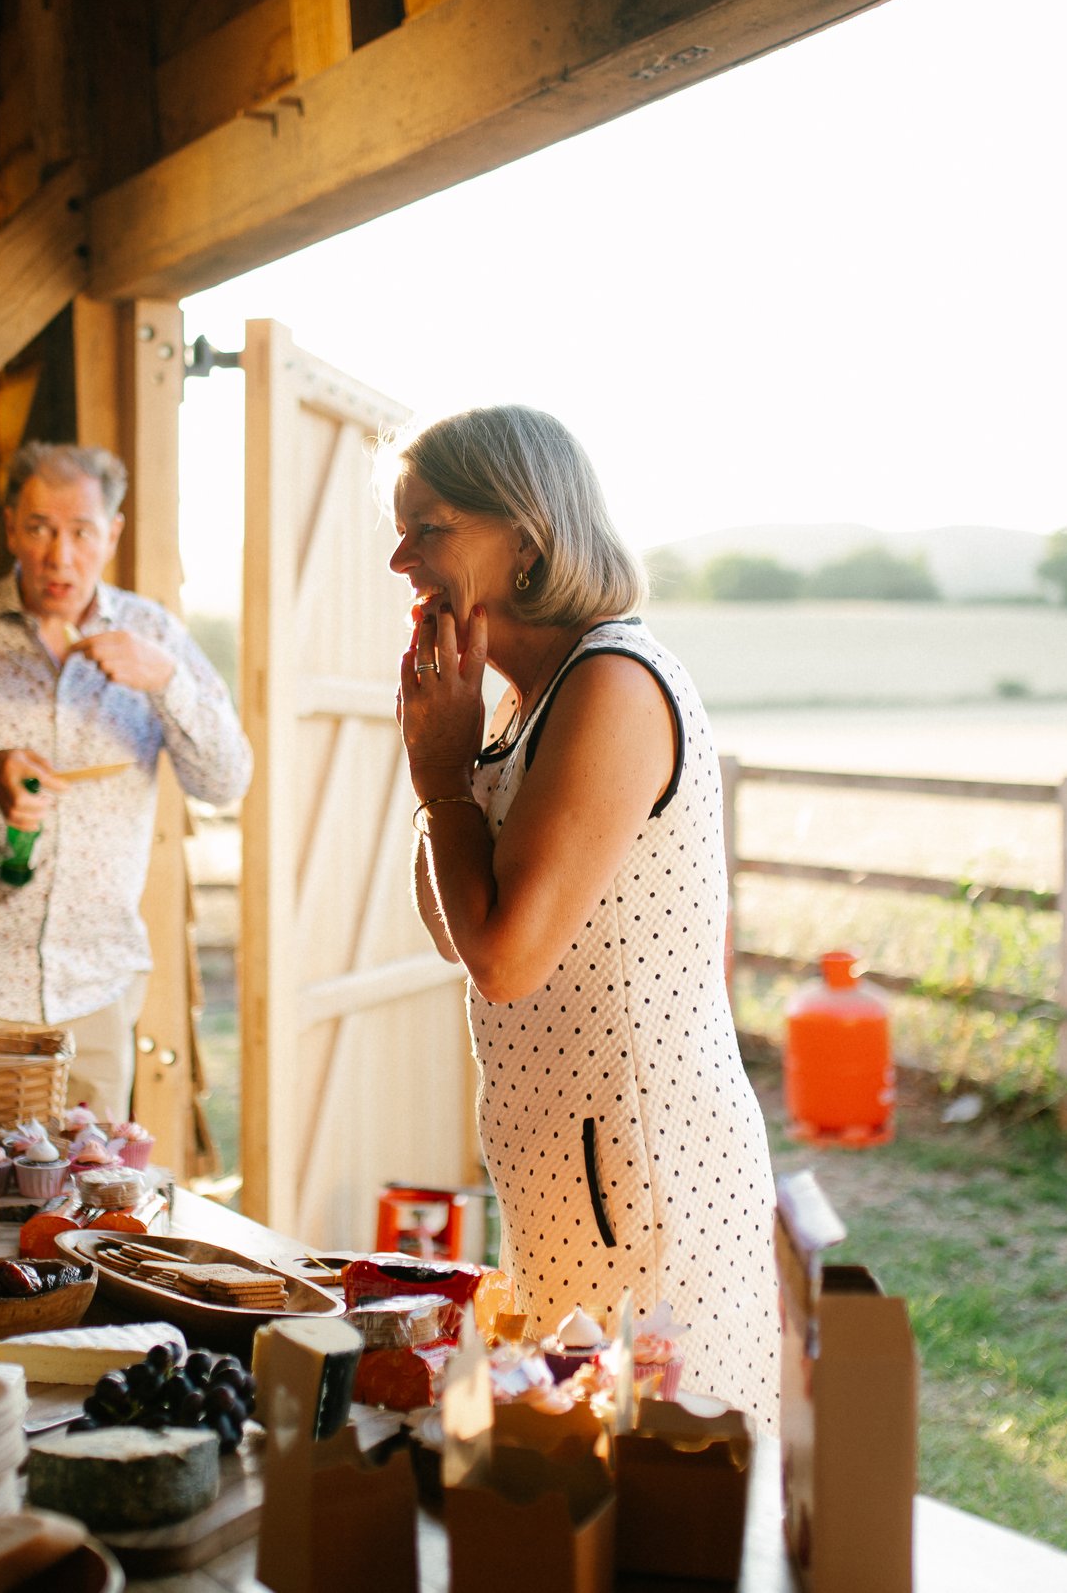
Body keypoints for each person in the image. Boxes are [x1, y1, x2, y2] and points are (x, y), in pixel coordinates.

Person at [393, 405, 779, 1426]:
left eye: (428, 527)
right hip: (565, 1179)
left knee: (665, 1505)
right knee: (567, 1500)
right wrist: (449, 757)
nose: (401, 559)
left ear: (524, 537)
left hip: (647, 1187)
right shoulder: (527, 705)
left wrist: (440, 780)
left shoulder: (611, 684)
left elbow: (503, 960)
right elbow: (456, 925)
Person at [0, 442, 251, 1118]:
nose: (58, 554)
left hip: (94, 992)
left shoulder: (153, 635)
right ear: (11, 526)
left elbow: (224, 780)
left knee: (84, 1208)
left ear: (112, 534)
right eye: (38, 528)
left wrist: (165, 681)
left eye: (80, 532)